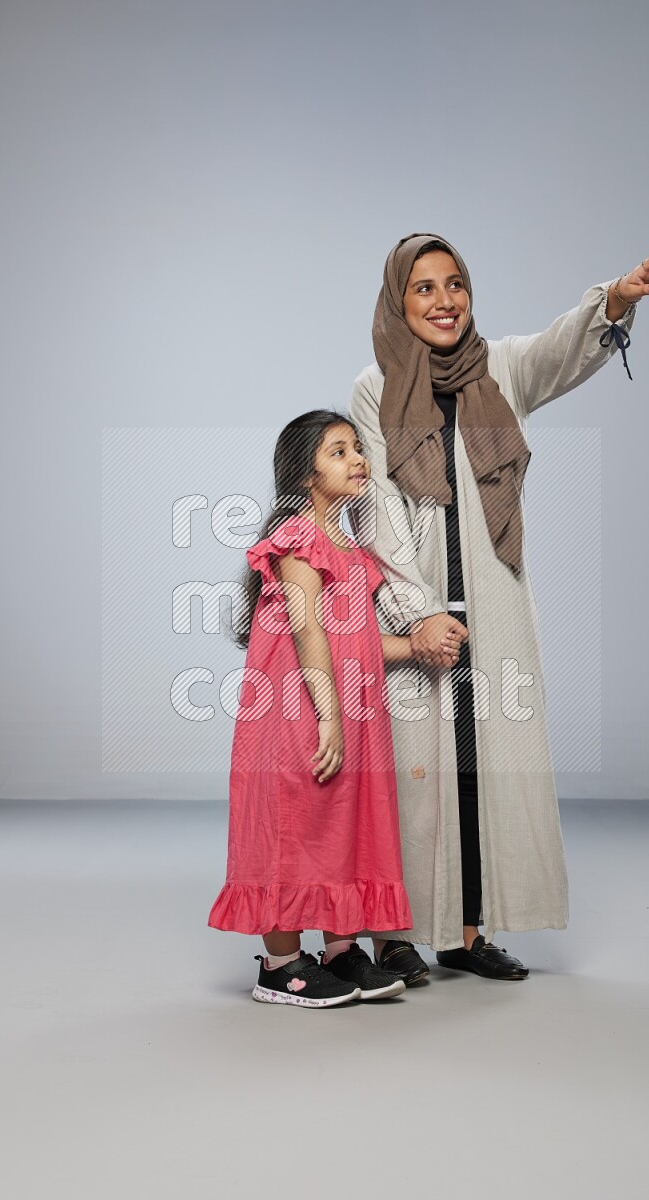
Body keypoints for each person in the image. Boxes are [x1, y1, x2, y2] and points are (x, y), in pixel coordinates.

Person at [348, 233, 649, 984]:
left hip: (494, 596)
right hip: (420, 601)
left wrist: (617, 297)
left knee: (483, 766)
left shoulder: (495, 370)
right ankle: (394, 935)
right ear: (399, 301)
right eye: (424, 288)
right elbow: (381, 511)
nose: (444, 300)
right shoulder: (377, 385)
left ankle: (467, 931)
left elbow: (563, 349)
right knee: (412, 767)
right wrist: (413, 611)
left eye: (454, 283)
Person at [208, 410, 458, 1007]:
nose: (357, 461)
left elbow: (356, 637)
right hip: (299, 709)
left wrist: (422, 642)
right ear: (304, 473)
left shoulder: (349, 547)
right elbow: (307, 628)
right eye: (338, 452)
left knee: (344, 825)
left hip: (348, 709)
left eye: (356, 449)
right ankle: (280, 966)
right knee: (291, 827)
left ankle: (340, 954)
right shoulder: (297, 535)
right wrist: (328, 716)